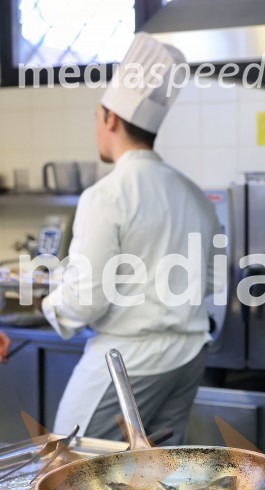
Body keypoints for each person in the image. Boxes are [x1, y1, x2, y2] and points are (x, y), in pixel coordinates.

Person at [39, 33, 221, 444]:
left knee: (67, 463)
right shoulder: (195, 193)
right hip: (189, 355)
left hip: (129, 359)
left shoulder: (106, 194)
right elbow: (212, 281)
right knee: (155, 480)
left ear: (110, 119)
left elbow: (86, 299)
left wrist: (49, 305)